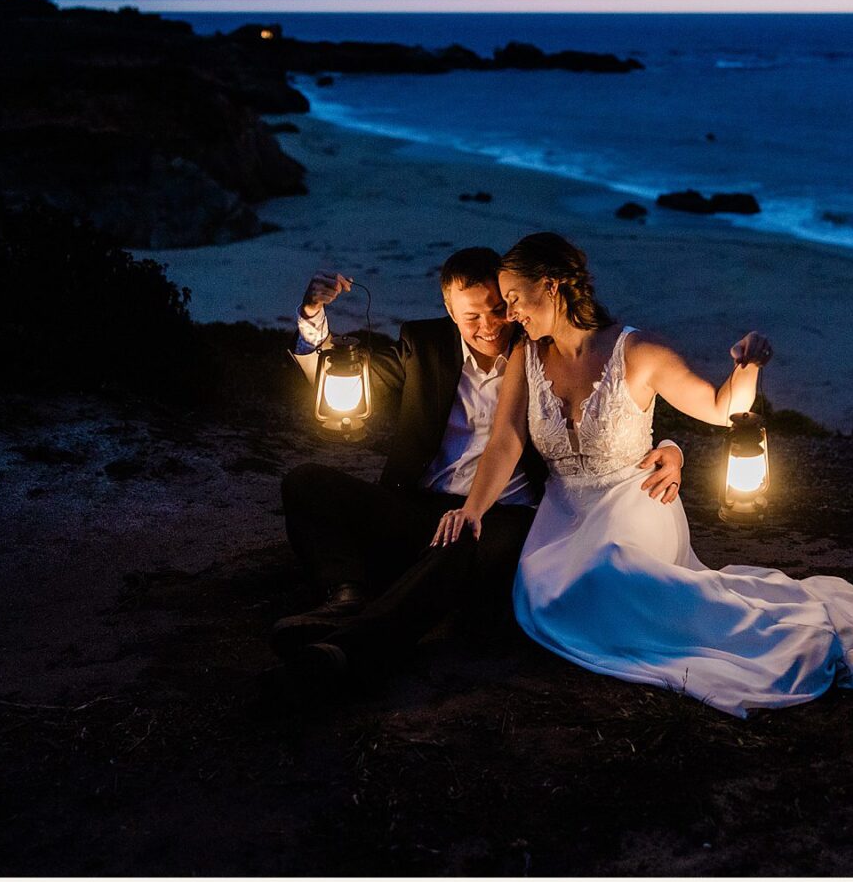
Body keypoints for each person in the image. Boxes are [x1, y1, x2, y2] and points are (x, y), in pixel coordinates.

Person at [433, 233, 853, 718]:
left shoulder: (637, 351)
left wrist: (747, 367)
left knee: (608, 569)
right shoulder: (525, 357)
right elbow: (506, 438)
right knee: (544, 591)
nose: (511, 314)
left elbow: (721, 409)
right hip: (564, 511)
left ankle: (772, 633)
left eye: (516, 300)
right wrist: (473, 509)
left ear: (551, 287)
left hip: (637, 495)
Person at [272, 247, 685, 692]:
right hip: (419, 504)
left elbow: (608, 414)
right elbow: (341, 376)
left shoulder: (540, 352)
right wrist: (314, 317)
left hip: (501, 518)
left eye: (497, 311)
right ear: (449, 309)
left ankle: (346, 652)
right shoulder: (422, 345)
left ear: (510, 305)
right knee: (307, 482)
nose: (487, 327)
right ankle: (346, 597)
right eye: (471, 317)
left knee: (461, 539)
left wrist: (670, 445)